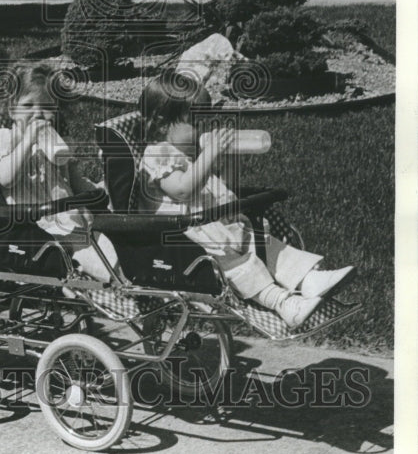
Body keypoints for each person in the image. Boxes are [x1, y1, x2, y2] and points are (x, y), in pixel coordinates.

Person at [136, 76, 356, 328]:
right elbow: (183, 190)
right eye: (194, 123)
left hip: (217, 226)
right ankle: (284, 304)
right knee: (239, 265)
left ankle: (309, 278)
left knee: (264, 244)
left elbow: (221, 187)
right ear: (163, 125)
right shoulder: (157, 153)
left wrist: (228, 158)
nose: (202, 130)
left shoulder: (187, 153)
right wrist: (210, 153)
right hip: (188, 238)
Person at [0, 64, 119, 283]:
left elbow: (76, 183)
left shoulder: (55, 141)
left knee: (116, 249)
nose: (37, 113)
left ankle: (133, 287)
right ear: (12, 110)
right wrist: (28, 140)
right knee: (103, 266)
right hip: (40, 227)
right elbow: (5, 179)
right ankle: (122, 292)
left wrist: (99, 190)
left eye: (46, 106)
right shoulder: (6, 138)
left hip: (74, 220)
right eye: (28, 105)